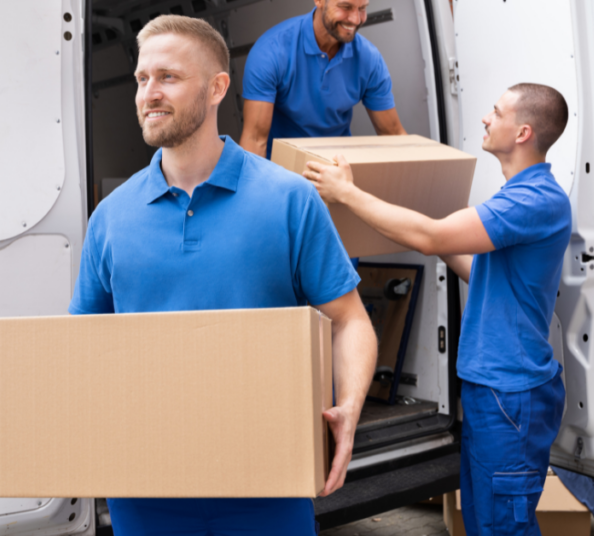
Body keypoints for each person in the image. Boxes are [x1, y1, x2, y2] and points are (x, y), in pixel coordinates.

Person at [69, 15, 377, 536]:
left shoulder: (288, 200)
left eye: (168, 77)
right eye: (142, 79)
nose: (149, 93)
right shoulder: (111, 218)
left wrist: (348, 407)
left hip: (266, 481)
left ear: (217, 88)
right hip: (145, 487)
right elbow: (82, 344)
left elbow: (349, 320)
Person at [303, 83, 572, 536]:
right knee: (486, 519)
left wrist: (346, 194)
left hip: (511, 395)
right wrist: (424, 220)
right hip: (496, 390)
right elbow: (474, 266)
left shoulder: (532, 201)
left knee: (503, 527)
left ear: (523, 132)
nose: (486, 119)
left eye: (496, 111)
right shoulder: (520, 195)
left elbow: (431, 237)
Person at [239, 0, 406, 159]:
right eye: (345, 6)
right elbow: (255, 142)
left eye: (362, 8)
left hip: (338, 168)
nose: (356, 19)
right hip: (282, 169)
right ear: (319, 1)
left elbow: (393, 135)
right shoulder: (271, 52)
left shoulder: (369, 59)